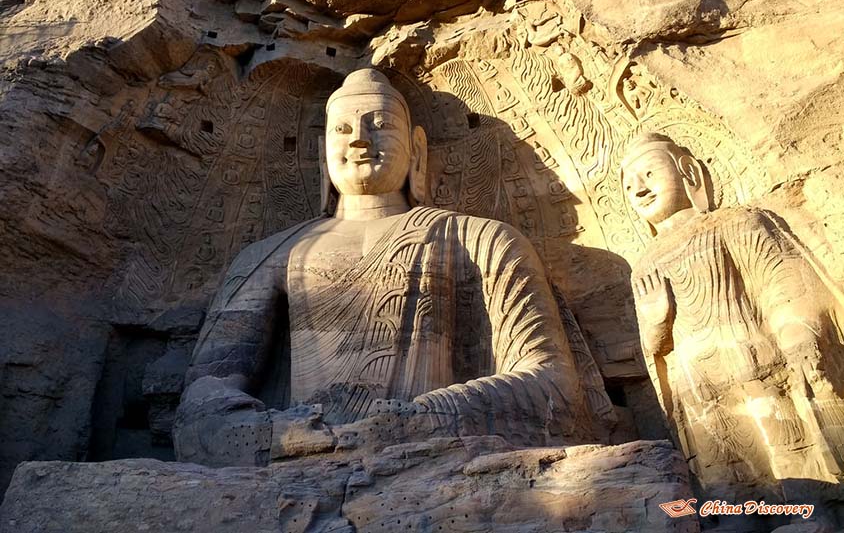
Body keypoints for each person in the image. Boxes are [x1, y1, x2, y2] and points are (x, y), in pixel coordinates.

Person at [174, 68, 610, 466]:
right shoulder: (272, 255)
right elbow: (201, 401)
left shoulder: (480, 239)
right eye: (342, 129)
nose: (359, 140)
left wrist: (422, 418)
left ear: (417, 148)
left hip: (438, 459)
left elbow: (553, 387)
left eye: (380, 125)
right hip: (296, 461)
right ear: (318, 151)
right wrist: (278, 434)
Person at [622, 132, 844, 521]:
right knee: (726, 483)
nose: (638, 190)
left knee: (795, 460)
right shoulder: (644, 265)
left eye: (648, 173)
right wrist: (656, 321)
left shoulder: (733, 222)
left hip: (758, 366)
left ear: (688, 172)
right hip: (699, 392)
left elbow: (780, 276)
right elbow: (654, 348)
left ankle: (818, 516)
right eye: (628, 186)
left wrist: (794, 327)